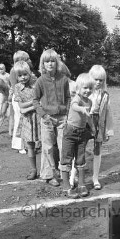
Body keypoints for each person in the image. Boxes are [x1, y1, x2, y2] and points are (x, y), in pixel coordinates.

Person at [33, 49, 71, 187]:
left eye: (52, 61)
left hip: (62, 118)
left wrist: (66, 111)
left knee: (64, 147)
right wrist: (44, 115)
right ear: (43, 64)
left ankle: (65, 173)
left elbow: (68, 97)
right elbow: (35, 100)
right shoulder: (40, 81)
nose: (50, 63)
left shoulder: (64, 79)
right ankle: (48, 175)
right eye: (47, 61)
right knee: (47, 147)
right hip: (47, 119)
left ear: (57, 63)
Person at [60, 73, 95, 198]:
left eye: (90, 88)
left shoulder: (89, 102)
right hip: (70, 132)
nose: (88, 90)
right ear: (79, 88)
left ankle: (81, 184)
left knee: (81, 159)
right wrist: (82, 109)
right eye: (85, 88)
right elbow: (74, 106)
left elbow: (88, 117)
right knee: (66, 159)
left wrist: (93, 128)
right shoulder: (77, 98)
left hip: (82, 133)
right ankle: (66, 186)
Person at [87, 65, 114, 190]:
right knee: (79, 149)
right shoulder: (85, 91)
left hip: (99, 123)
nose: (98, 82)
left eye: (101, 80)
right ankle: (73, 177)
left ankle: (95, 178)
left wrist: (109, 130)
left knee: (97, 150)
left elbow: (108, 113)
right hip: (85, 122)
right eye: (95, 79)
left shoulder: (105, 95)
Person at [14, 61, 40, 180]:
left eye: (25, 74)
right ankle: (33, 169)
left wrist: (31, 106)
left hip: (39, 117)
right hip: (27, 119)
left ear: (29, 73)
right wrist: (34, 103)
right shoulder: (17, 87)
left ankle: (50, 169)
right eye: (19, 75)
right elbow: (22, 108)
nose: (22, 77)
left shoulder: (36, 84)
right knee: (30, 145)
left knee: (45, 144)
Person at [9, 51, 32, 154]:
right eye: (26, 59)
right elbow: (14, 87)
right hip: (19, 97)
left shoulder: (23, 70)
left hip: (25, 95)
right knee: (19, 120)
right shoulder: (14, 71)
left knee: (25, 120)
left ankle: (26, 144)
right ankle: (18, 145)